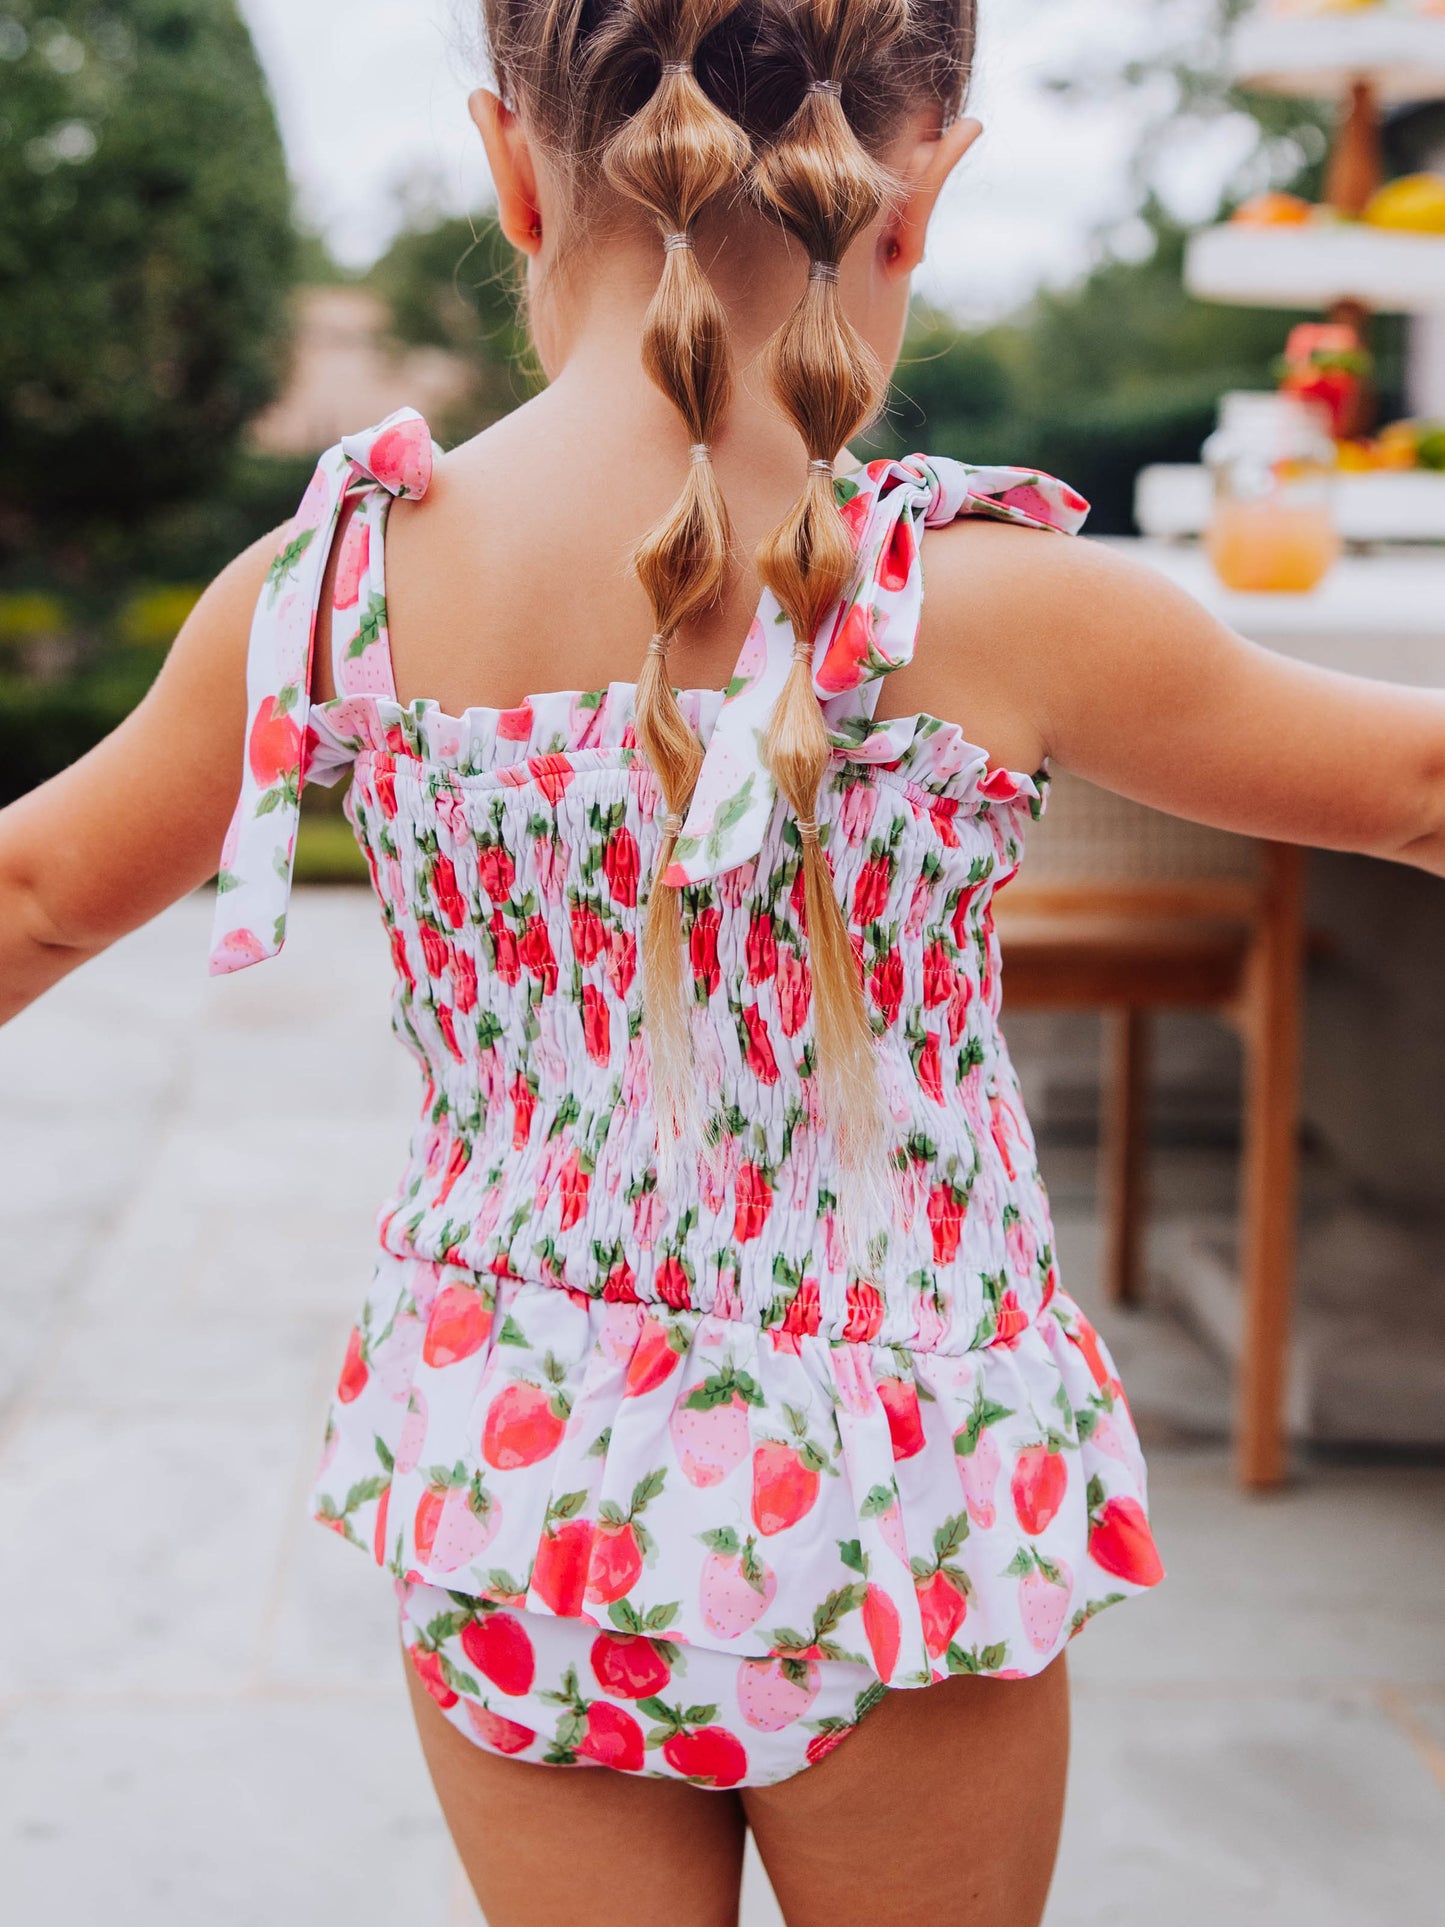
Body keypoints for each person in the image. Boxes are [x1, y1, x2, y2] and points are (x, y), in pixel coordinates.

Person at [3, 3, 1444, 1922]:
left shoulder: (334, 587)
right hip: (893, 1506)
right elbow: (1418, 785)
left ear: (512, 173)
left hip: (521, 1497)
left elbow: (34, 899)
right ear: (916, 193)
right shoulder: (1000, 611)